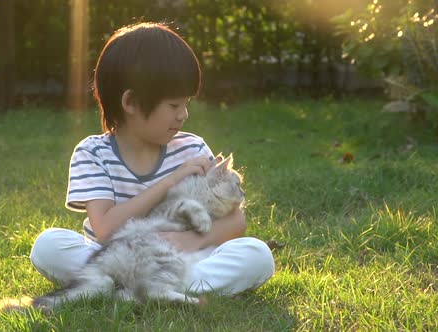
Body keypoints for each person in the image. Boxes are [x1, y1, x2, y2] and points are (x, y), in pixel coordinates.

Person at [29, 22, 274, 296]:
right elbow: (107, 229)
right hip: (116, 257)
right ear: (131, 103)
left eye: (186, 104)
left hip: (178, 257)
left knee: (257, 254)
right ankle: (160, 287)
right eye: (173, 105)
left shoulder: (192, 148)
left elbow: (235, 222)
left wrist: (187, 241)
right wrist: (172, 180)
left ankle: (127, 287)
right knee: (48, 246)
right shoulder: (92, 153)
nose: (183, 115)